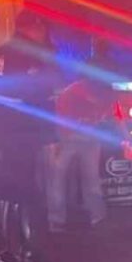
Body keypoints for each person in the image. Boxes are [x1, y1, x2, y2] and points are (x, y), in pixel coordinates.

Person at [0, 12, 62, 262]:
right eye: (40, 29)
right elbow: (12, 92)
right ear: (30, 28)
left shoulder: (23, 52)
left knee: (16, 189)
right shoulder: (18, 54)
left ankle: (10, 246)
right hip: (19, 130)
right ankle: (18, 246)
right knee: (21, 189)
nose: (43, 34)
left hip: (18, 129)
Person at [50, 37, 117, 231]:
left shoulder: (93, 90)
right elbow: (63, 116)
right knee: (77, 178)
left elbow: (107, 114)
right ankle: (93, 216)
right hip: (73, 136)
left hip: (81, 136)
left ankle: (61, 219)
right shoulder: (75, 93)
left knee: (62, 177)